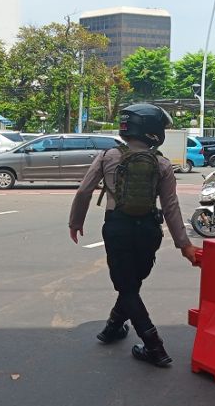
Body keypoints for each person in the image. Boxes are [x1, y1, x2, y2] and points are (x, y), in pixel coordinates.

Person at [69, 103, 198, 368]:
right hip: (149, 230)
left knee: (126, 287)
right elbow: (171, 206)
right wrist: (184, 245)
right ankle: (113, 327)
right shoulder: (162, 163)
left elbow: (84, 191)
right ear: (152, 130)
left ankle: (155, 346)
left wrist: (76, 222)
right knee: (131, 284)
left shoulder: (108, 156)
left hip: (117, 228)